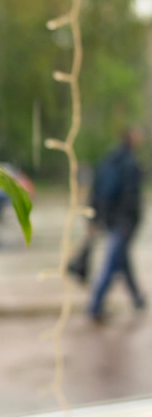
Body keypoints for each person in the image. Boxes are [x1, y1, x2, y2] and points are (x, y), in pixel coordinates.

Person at [87, 128, 146, 322]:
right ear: (131, 138)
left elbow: (97, 191)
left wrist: (95, 219)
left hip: (113, 220)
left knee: (122, 260)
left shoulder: (110, 160)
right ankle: (95, 306)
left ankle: (137, 298)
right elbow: (128, 197)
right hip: (122, 223)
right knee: (112, 263)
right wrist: (128, 221)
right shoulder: (127, 163)